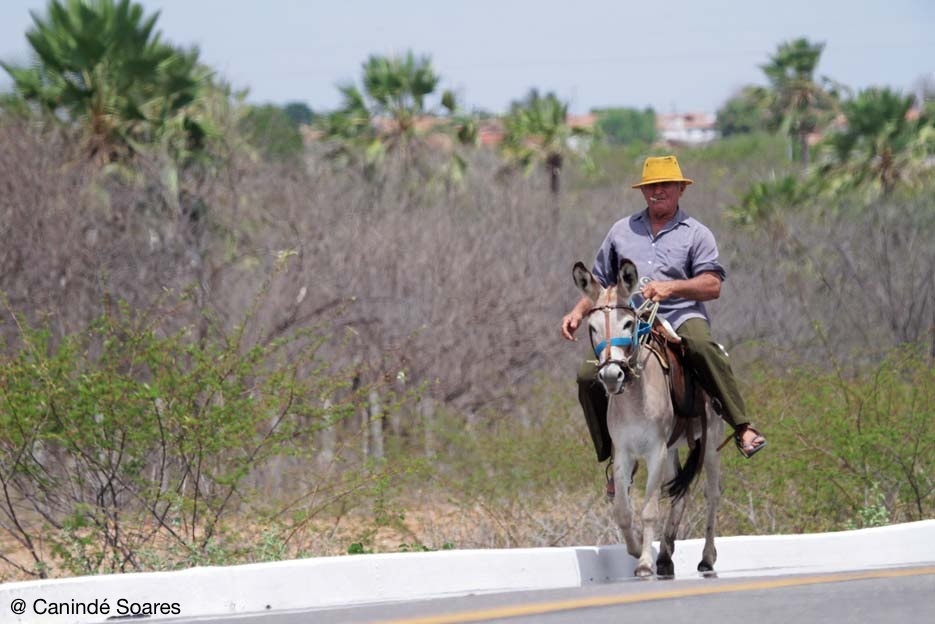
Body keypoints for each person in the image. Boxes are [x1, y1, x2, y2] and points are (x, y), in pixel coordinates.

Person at [560, 155, 766, 498]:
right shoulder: (621, 231)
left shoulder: (696, 233)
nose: (658, 192)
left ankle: (742, 427)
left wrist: (671, 287)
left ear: (680, 189)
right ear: (643, 192)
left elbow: (712, 286)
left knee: (701, 347)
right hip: (632, 319)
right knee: (586, 376)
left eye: (665, 186)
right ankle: (613, 455)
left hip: (681, 314)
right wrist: (578, 312)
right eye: (651, 186)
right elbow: (599, 282)